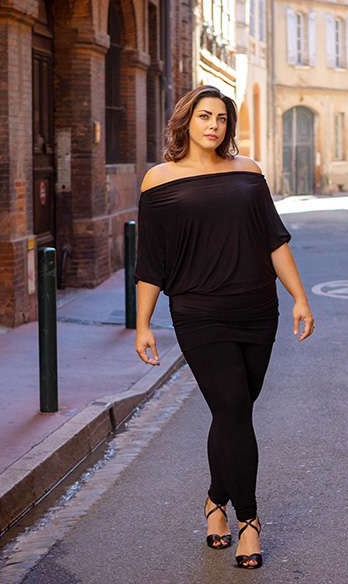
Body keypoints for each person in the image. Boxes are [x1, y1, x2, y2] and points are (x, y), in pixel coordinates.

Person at [133, 85, 314, 570]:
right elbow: (151, 259)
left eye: (221, 118)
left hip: (257, 309)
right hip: (198, 313)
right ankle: (249, 522)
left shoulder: (249, 174)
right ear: (186, 122)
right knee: (233, 406)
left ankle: (215, 500)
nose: (213, 125)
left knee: (233, 413)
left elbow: (274, 239)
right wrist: (142, 323)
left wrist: (298, 296)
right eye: (204, 116)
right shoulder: (158, 181)